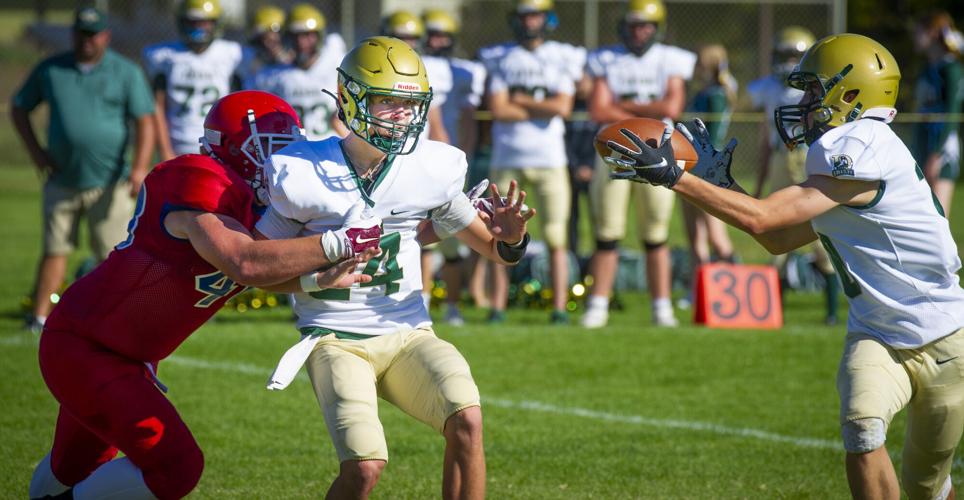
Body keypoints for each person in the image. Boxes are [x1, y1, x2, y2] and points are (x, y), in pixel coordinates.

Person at [606, 33, 964, 500]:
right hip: (877, 333)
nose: (806, 103)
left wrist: (678, 177)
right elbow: (776, 239)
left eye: (815, 91)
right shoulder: (849, 154)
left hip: (944, 337)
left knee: (927, 487)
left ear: (851, 95)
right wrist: (725, 185)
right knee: (862, 429)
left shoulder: (860, 142)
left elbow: (763, 217)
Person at [27, 90, 381, 500]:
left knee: (73, 466)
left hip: (124, 352)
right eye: (269, 149)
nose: (279, 162)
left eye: (288, 148)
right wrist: (337, 244)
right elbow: (244, 262)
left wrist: (316, 281)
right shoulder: (197, 179)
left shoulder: (256, 206)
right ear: (230, 147)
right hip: (87, 346)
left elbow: (259, 272)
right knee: (176, 467)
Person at [256, 36, 534, 499]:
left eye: (410, 104)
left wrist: (512, 237)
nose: (402, 116)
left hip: (408, 334)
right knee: (364, 468)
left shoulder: (431, 166)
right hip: (335, 337)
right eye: (387, 102)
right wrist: (313, 278)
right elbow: (253, 267)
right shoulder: (302, 171)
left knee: (467, 418)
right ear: (350, 98)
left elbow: (497, 251)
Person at [11, 6, 155, 334]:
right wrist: (37, 153)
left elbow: (144, 120)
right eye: (81, 33)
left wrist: (139, 168)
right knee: (54, 249)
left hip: (111, 182)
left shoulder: (124, 72)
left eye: (93, 34)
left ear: (106, 36)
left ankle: (113, 318)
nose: (87, 41)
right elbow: (20, 108)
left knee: (113, 255)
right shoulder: (51, 69)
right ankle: (40, 316)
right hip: (63, 179)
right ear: (72, 34)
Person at [581, 0, 695, 328]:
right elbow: (599, 109)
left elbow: (673, 102)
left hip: (660, 152)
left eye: (645, 25)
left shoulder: (671, 59)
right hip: (614, 151)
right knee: (607, 233)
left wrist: (623, 108)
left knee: (656, 233)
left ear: (656, 28)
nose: (639, 32)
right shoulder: (606, 59)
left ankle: (661, 307)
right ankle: (598, 305)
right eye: (633, 25)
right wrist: (647, 111)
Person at [481, 0, 583, 324]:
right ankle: (497, 307)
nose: (529, 22)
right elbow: (498, 109)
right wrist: (542, 105)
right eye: (525, 16)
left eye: (535, 15)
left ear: (547, 18)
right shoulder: (502, 57)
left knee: (556, 236)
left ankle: (558, 308)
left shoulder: (561, 56)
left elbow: (563, 107)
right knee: (499, 234)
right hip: (508, 156)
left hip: (550, 158)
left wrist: (521, 100)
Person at [748, 25, 840, 325]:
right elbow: (747, 108)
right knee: (774, 227)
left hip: (807, 155)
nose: (788, 62)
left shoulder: (817, 87)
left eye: (794, 56)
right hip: (779, 156)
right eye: (784, 55)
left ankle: (831, 311)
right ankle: (773, 310)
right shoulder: (768, 87)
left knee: (820, 233)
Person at [419, 8, 488, 326]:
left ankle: (453, 305)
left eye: (442, 36)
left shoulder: (463, 71)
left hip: (447, 158)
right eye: (432, 34)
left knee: (453, 236)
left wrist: (464, 155)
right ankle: (423, 302)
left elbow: (465, 118)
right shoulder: (416, 67)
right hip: (417, 157)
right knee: (419, 235)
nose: (437, 41)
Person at [143, 0, 246, 160]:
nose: (198, 28)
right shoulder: (165, 56)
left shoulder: (232, 54)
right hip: (177, 142)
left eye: (204, 23)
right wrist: (165, 150)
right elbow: (158, 106)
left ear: (216, 24)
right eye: (192, 22)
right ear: (182, 23)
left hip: (217, 143)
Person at [679, 44, 736, 306]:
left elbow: (711, 137)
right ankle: (697, 292)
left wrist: (702, 164)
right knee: (694, 236)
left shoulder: (716, 94)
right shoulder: (700, 93)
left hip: (706, 168)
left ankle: (732, 293)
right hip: (688, 166)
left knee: (716, 235)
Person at [248, 3, 347, 140]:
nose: (302, 42)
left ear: (319, 36)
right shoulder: (272, 76)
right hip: (295, 150)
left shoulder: (336, 65)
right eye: (296, 36)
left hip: (331, 146)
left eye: (308, 35)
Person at [912, 10, 962, 218]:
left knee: (939, 216)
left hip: (941, 147)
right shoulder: (927, 69)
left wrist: (936, 154)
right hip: (922, 141)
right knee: (921, 215)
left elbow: (953, 112)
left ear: (932, 33)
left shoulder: (951, 69)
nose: (915, 37)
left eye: (919, 32)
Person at [242, 4, 290, 82]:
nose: (270, 45)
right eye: (265, 38)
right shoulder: (246, 61)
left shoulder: (291, 65)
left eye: (277, 33)